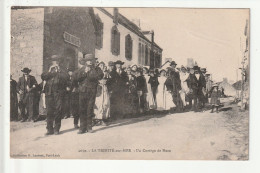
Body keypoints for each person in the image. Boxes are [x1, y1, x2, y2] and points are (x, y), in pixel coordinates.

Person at [41, 55, 70, 135]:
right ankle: (49, 129)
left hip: (59, 93)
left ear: (59, 62)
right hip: (49, 93)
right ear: (52, 62)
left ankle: (56, 128)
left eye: (57, 61)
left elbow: (66, 78)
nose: (55, 62)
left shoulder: (62, 69)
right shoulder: (48, 69)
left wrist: (59, 71)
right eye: (54, 61)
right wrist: (50, 71)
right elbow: (43, 77)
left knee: (58, 110)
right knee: (49, 111)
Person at [75, 54, 103, 134]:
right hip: (82, 91)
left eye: (91, 60)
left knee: (90, 109)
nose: (90, 62)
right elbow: (77, 78)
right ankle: (82, 128)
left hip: (92, 91)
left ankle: (89, 127)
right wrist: (85, 72)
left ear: (93, 61)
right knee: (82, 109)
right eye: (88, 60)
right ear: (85, 61)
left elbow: (100, 76)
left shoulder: (97, 69)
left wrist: (92, 72)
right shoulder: (82, 69)